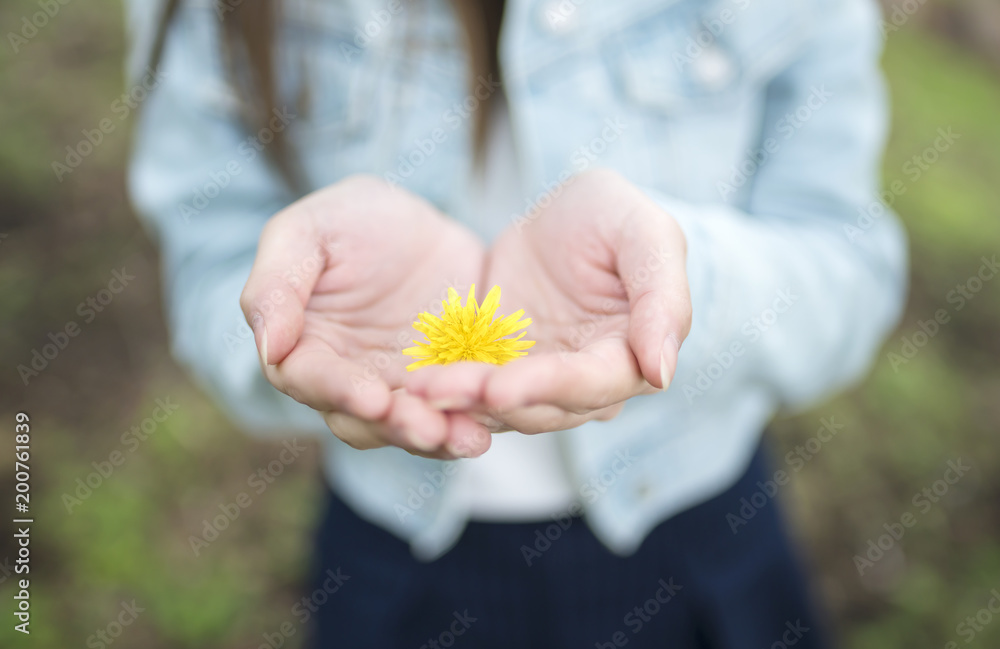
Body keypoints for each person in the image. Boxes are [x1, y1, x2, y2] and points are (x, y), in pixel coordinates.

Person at [127, 0, 908, 646]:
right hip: (393, 561)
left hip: (701, 536)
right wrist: (299, 320)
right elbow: (210, 267)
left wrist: (673, 280)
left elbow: (849, 268)